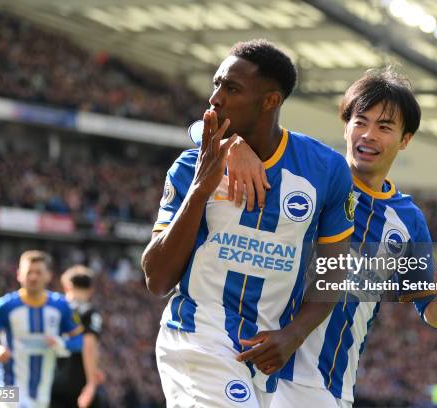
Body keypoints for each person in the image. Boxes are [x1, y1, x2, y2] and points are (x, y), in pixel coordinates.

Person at [219, 67, 437, 407]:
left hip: (324, 388)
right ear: (346, 126)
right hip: (250, 365)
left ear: (405, 139)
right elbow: (208, 131)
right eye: (360, 122)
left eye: (384, 127)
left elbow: (431, 313)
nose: (368, 135)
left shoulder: (407, 221)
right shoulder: (309, 172)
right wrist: (235, 145)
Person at [141, 39, 355, 407]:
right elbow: (157, 279)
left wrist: (294, 334)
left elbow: (332, 273)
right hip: (198, 338)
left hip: (264, 357)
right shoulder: (191, 166)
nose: (215, 98)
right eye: (216, 84)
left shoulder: (325, 171)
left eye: (232, 88)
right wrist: (201, 187)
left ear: (270, 101)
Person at [0, 250, 83, 408]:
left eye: (38, 272)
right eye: (29, 272)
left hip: (42, 390)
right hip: (9, 387)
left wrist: (63, 344)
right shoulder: (5, 305)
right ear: (19, 274)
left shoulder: (61, 306)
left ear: (48, 275)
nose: (33, 277)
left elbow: (79, 340)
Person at [51, 265, 104, 408]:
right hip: (78, 381)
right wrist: (91, 382)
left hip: (52, 379)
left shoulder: (55, 310)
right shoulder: (89, 313)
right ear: (91, 290)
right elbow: (89, 344)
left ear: (67, 286)